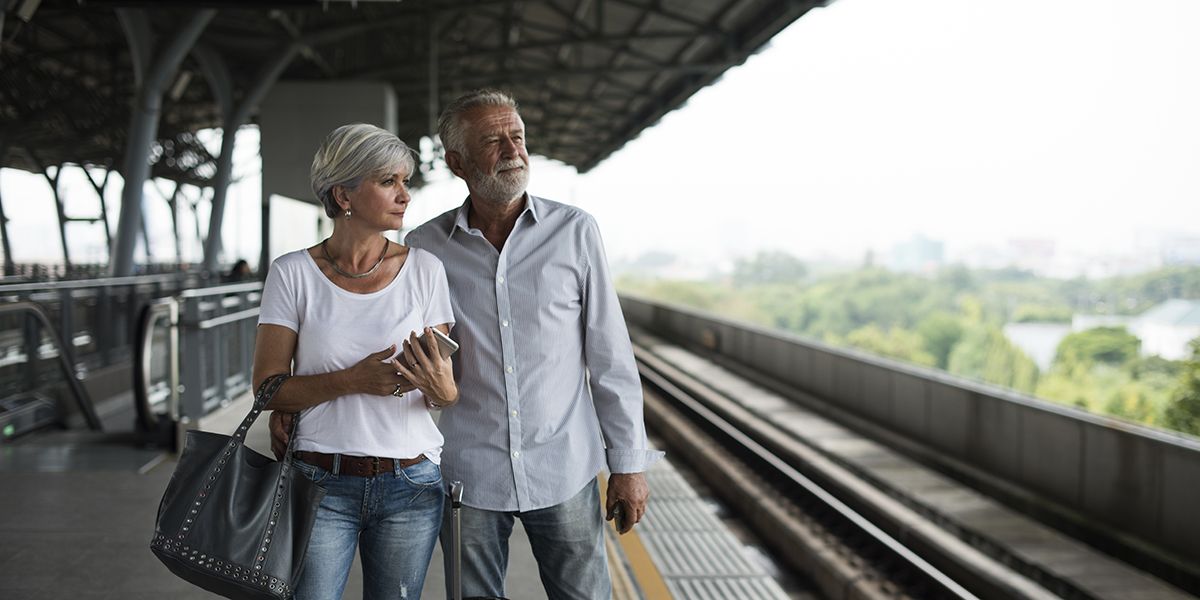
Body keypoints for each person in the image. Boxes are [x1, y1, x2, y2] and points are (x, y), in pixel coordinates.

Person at [252, 123, 459, 600]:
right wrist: (354, 380)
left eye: (405, 181)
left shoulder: (426, 271)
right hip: (318, 482)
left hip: (411, 482)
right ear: (342, 193)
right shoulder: (292, 274)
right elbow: (267, 390)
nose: (404, 194)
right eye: (388, 181)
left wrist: (443, 390)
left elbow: (445, 390)